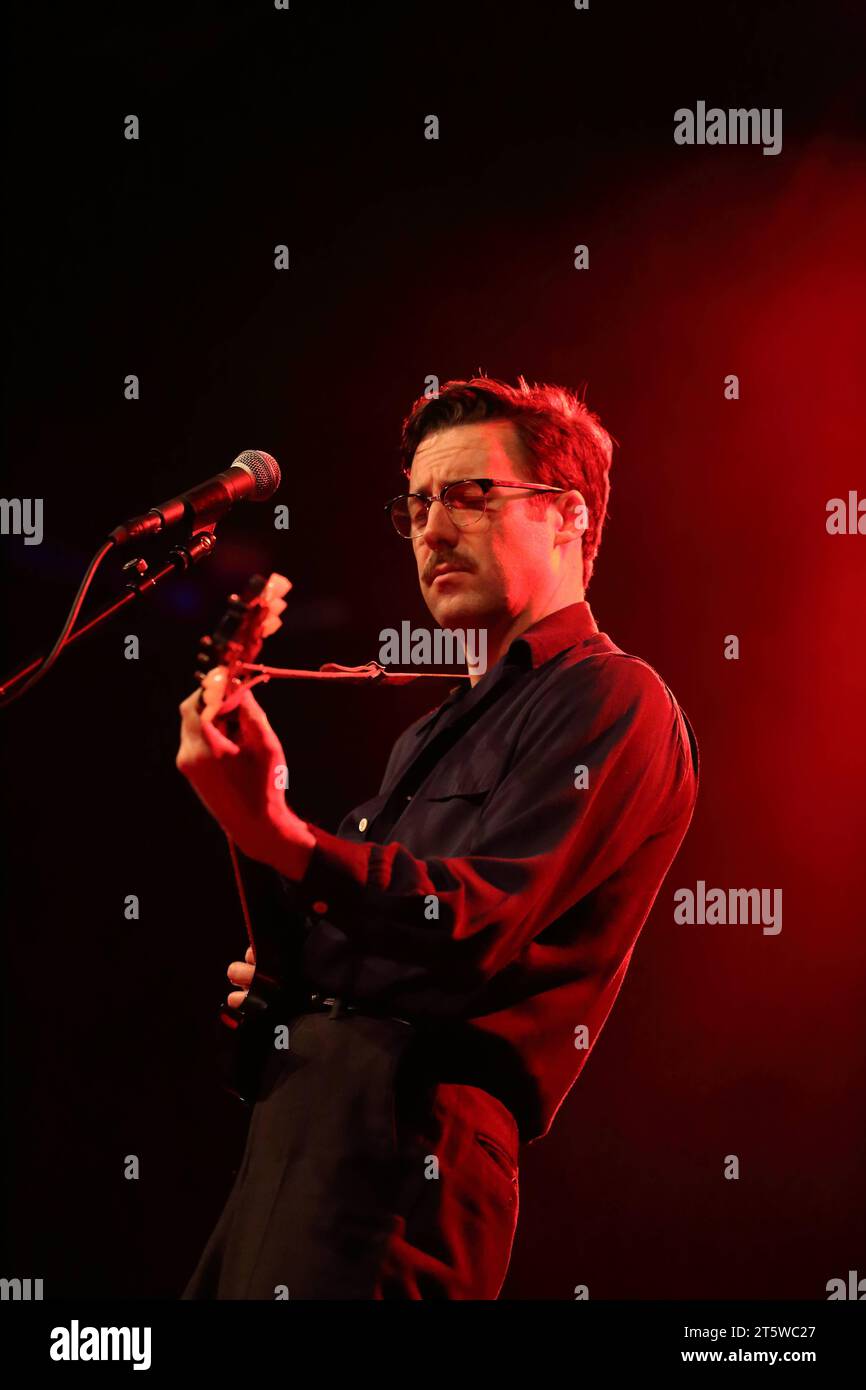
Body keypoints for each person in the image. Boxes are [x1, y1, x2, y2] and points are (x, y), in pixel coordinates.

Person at [176, 375, 699, 1299]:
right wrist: (254, 846)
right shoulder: (427, 729)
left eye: (470, 495)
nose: (431, 527)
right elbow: (342, 939)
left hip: (404, 1149)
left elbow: (474, 925)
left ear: (569, 516)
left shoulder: (617, 697)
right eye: (417, 503)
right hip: (293, 1143)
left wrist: (281, 834)